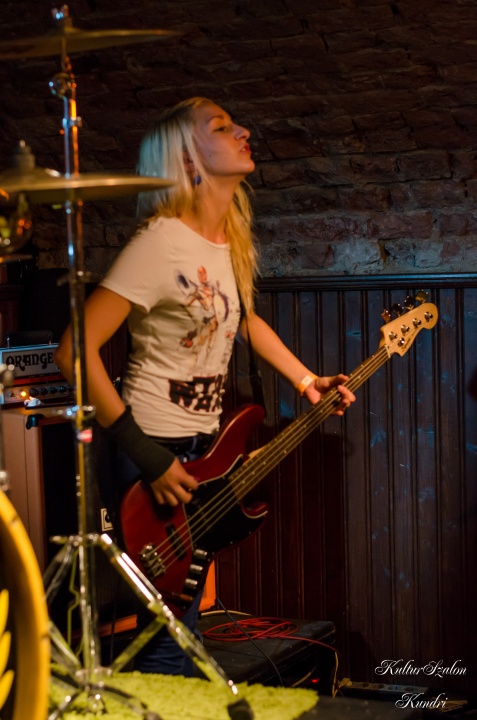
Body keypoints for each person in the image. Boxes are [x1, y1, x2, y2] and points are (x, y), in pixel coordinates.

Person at [55, 96, 356, 676]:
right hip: (148, 452)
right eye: (221, 126)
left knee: (179, 622)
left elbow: (244, 319)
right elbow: (74, 351)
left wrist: (305, 379)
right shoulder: (159, 243)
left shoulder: (226, 240)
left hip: (200, 450)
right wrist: (147, 456)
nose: (244, 130)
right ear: (188, 159)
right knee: (169, 630)